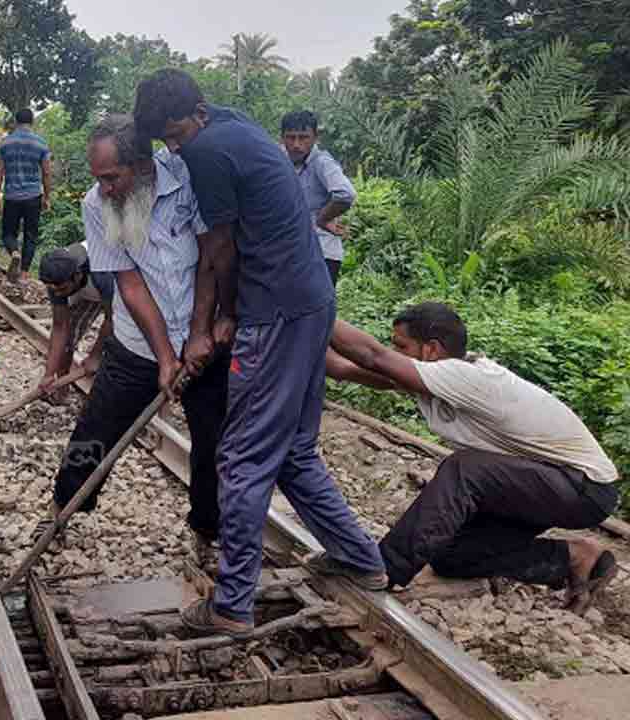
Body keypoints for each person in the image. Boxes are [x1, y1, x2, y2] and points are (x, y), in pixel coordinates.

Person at [134, 69, 385, 636]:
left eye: (174, 135)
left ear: (192, 116)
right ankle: (362, 559)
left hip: (273, 312)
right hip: (312, 299)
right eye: (167, 140)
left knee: (242, 457)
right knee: (293, 450)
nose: (175, 147)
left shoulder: (207, 152)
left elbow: (218, 248)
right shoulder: (230, 121)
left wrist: (211, 324)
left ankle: (232, 604)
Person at [330, 304, 620, 613]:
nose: (393, 352)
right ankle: (575, 557)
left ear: (430, 350)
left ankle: (384, 567)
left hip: (585, 486)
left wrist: (308, 302)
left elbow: (373, 356)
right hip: (544, 482)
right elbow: (346, 369)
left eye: (401, 346)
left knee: (464, 468)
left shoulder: (465, 377)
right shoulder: (438, 379)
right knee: (452, 556)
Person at [48, 116, 231, 567]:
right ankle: (61, 512)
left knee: (213, 442)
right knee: (96, 432)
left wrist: (200, 333)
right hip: (136, 344)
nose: (105, 189)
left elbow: (214, 257)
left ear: (143, 164)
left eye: (112, 177)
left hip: (204, 339)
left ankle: (209, 531)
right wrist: (165, 355)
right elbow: (129, 283)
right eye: (99, 179)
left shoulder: (188, 181)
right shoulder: (97, 204)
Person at [281, 110, 356, 285]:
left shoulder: (322, 163)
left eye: (303, 137)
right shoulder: (280, 161)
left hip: (322, 254)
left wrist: (323, 219)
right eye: (290, 138)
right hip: (290, 252)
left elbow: (345, 194)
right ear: (282, 138)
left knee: (317, 310)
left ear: (315, 137)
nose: (296, 144)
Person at [36, 241, 114, 396]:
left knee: (120, 350)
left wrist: (95, 356)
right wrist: (48, 374)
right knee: (67, 341)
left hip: (117, 294)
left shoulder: (102, 273)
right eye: (54, 290)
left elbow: (112, 319)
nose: (57, 294)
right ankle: (61, 388)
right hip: (86, 291)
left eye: (62, 289)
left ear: (77, 275)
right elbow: (60, 326)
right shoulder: (57, 277)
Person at [0, 109, 52, 283]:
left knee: (8, 234)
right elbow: (47, 172)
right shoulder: (41, 143)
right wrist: (47, 197)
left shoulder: (5, 143)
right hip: (33, 195)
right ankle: (25, 274)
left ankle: (14, 252)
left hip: (12, 196)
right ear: (32, 121)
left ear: (16, 122)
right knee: (30, 235)